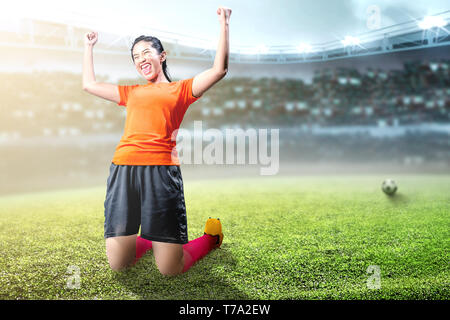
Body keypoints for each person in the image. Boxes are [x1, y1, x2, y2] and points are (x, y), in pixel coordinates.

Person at [82, 7, 231, 275]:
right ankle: (152, 237)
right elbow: (89, 85)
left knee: (170, 269)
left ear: (162, 56)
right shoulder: (130, 91)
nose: (141, 59)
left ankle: (211, 238)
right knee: (119, 265)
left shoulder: (182, 89)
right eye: (136, 57)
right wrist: (88, 47)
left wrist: (224, 23)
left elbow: (219, 70)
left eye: (146, 52)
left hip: (161, 172)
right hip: (122, 170)